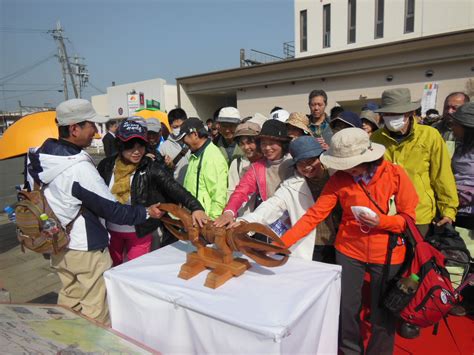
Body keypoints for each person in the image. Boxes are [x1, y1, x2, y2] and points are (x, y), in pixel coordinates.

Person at [280, 128, 419, 354]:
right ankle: (350, 350)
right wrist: (282, 244)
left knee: (383, 311)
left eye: (351, 163)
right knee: (347, 308)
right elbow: (315, 215)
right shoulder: (339, 179)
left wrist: (381, 222)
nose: (348, 169)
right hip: (348, 251)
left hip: (387, 252)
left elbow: (408, 220)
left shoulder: (395, 174)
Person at [27, 99, 163, 325]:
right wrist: (145, 212)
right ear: (74, 128)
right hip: (85, 248)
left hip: (57, 242)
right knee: (95, 309)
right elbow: (113, 211)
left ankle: (65, 341)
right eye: (92, 125)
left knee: (69, 298)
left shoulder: (40, 158)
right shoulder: (78, 167)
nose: (96, 133)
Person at [97, 120, 207, 266]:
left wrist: (196, 207)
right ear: (120, 145)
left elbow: (174, 188)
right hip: (110, 232)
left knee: (136, 271)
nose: (137, 151)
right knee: (113, 271)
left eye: (141, 145)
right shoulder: (106, 165)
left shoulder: (150, 167)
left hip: (140, 231)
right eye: (130, 146)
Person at [231, 136, 339, 262]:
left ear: (320, 157)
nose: (307, 166)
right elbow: (271, 206)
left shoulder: (336, 175)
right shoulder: (292, 185)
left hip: (340, 241)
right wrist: (245, 222)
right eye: (300, 163)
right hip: (314, 244)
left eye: (311, 160)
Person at [372, 88, 458, 237]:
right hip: (385, 215)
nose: (391, 118)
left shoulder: (430, 135)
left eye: (396, 114)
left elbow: (442, 176)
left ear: (409, 113)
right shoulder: (375, 139)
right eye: (387, 114)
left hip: (420, 214)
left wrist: (448, 211)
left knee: (417, 257)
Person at [214, 120, 293, 233]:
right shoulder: (257, 167)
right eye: (264, 143)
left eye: (272, 143)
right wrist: (229, 212)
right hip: (270, 221)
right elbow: (241, 191)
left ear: (282, 143)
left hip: (295, 218)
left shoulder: (294, 163)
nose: (267, 148)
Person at [450, 102, 474, 316]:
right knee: (459, 255)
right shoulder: (459, 146)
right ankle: (456, 296)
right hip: (458, 211)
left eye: (456, 124)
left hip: (467, 208)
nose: (452, 128)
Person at [181, 118, 229, 219]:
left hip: (205, 223)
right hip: (194, 220)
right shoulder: (195, 154)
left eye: (183, 138)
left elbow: (219, 195)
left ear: (194, 134)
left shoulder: (213, 157)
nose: (183, 142)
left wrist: (212, 223)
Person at [227, 121, 262, 216]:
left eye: (250, 142)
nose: (246, 147)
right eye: (242, 143)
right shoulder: (237, 163)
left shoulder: (268, 162)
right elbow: (231, 191)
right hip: (244, 219)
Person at [433, 92, 470, 156]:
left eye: (454, 108)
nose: (449, 111)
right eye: (447, 107)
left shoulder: (470, 131)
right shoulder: (434, 129)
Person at [159, 108, 190, 185]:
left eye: (181, 126)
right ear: (170, 126)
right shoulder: (163, 147)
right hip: (177, 191)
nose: (179, 129)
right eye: (175, 127)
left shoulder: (193, 141)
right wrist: (168, 166)